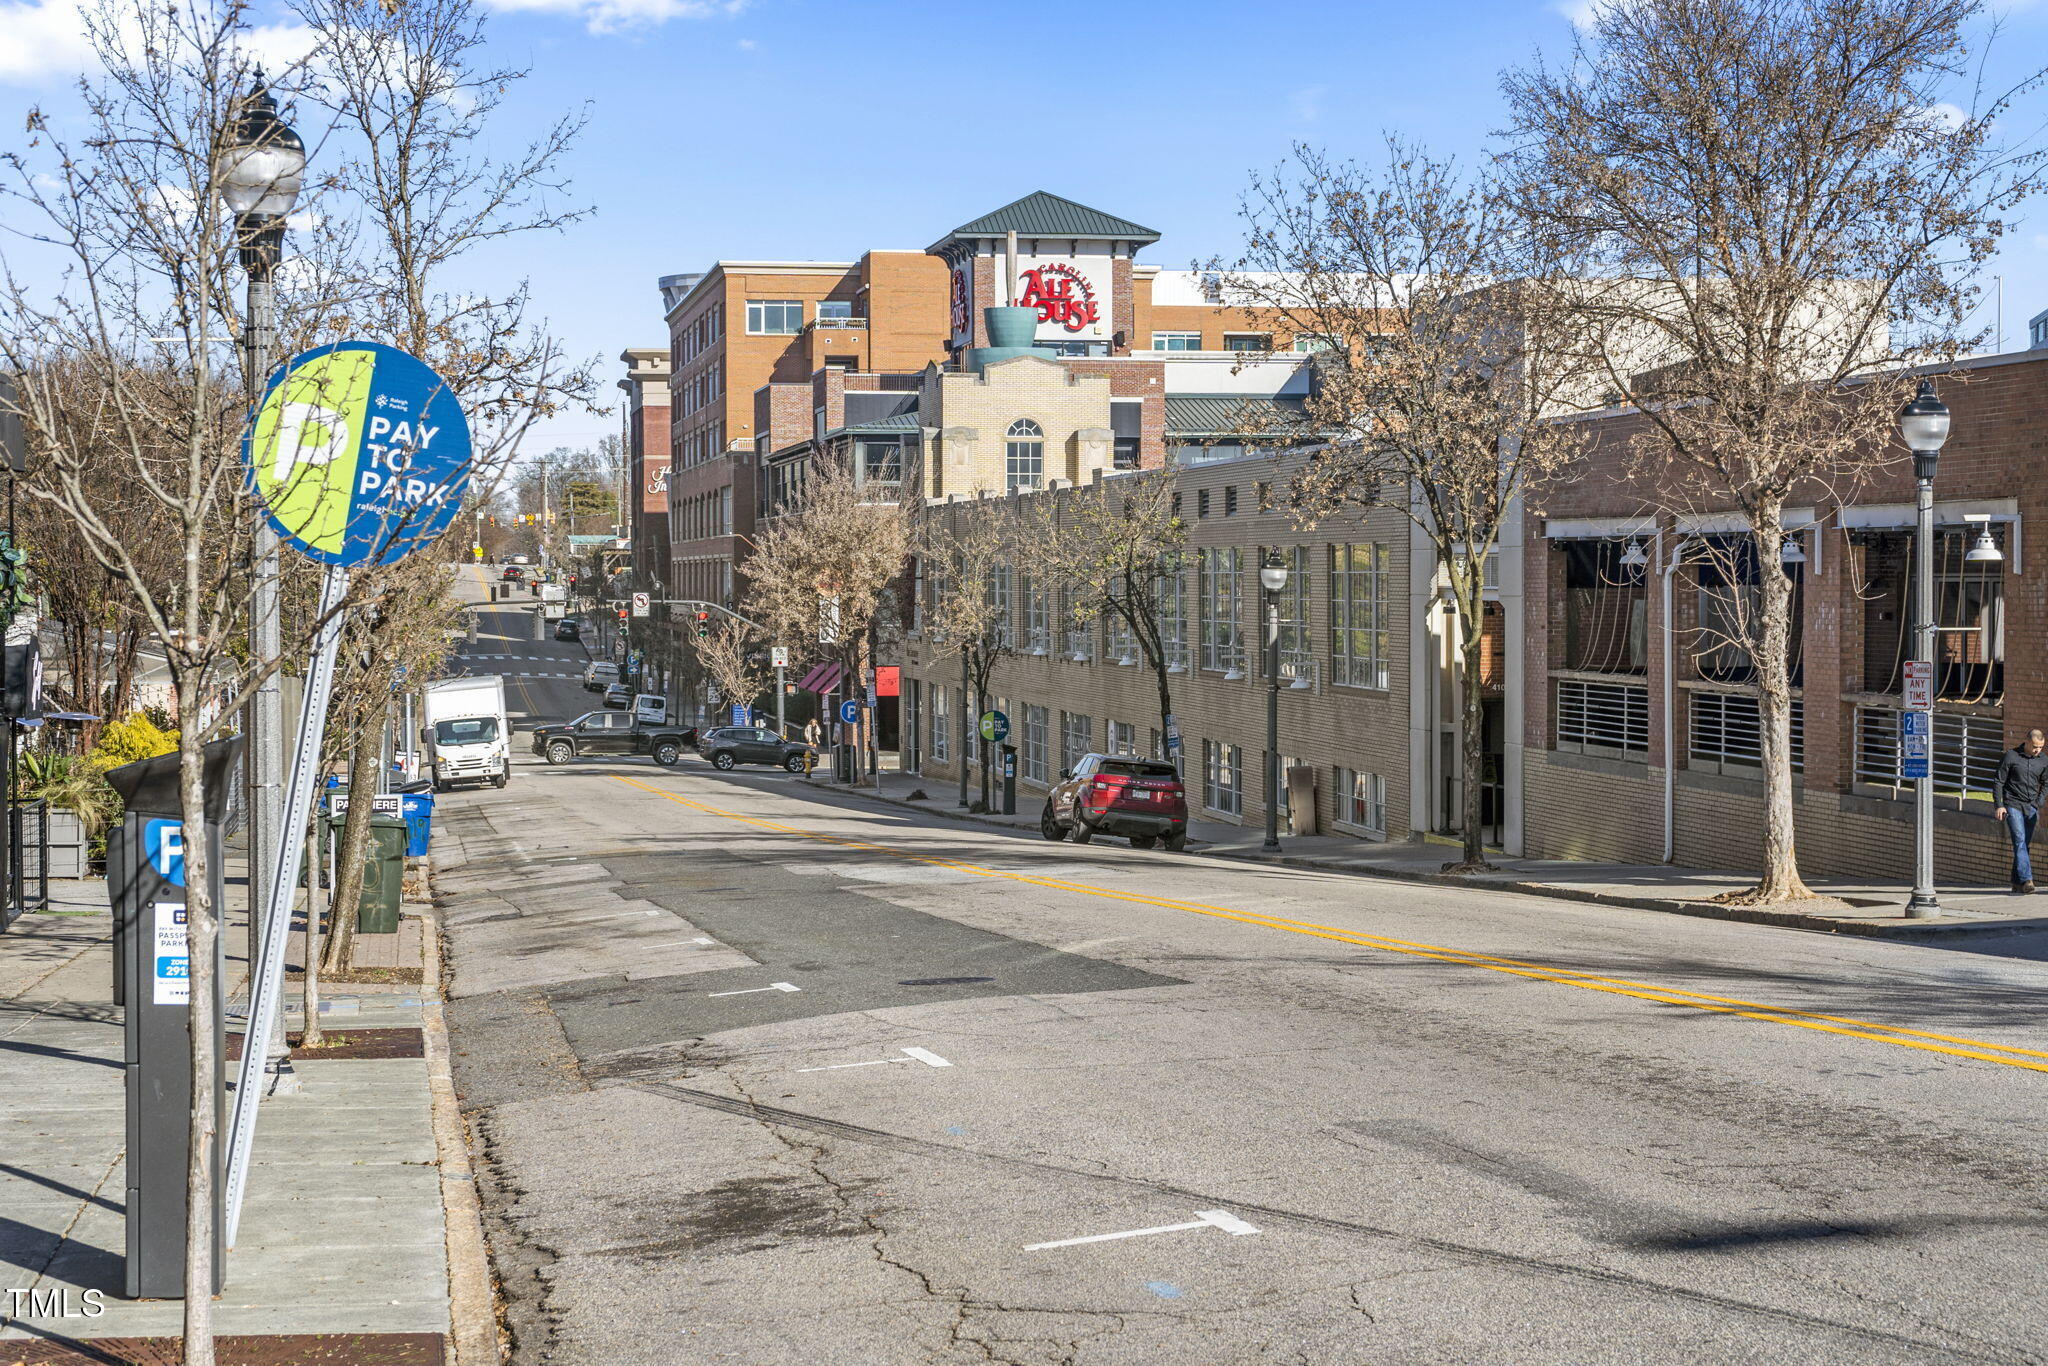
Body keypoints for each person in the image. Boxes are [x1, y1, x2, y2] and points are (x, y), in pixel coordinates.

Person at [1992, 729, 2048, 893]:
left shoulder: (2043, 760)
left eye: (2041, 747)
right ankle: (2027, 880)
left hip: (2031, 806)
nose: (2038, 750)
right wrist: (1999, 805)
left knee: (2024, 844)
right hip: (2012, 803)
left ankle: (2016, 882)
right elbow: (1998, 781)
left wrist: (2039, 802)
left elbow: (2046, 783)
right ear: (2027, 742)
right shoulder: (2011, 756)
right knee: (2019, 840)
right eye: (2035, 746)